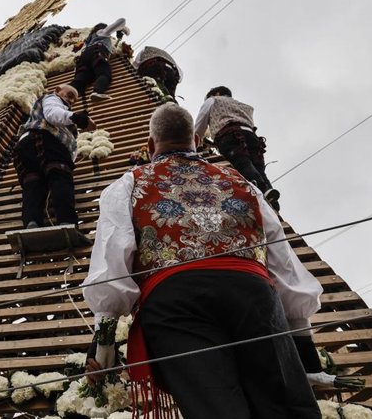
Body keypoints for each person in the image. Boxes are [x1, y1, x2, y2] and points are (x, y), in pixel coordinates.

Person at [82, 104, 321, 419]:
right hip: (253, 296)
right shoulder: (240, 182)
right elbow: (282, 260)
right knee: (286, 409)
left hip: (175, 302)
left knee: (216, 409)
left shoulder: (128, 183)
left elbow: (112, 261)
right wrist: (303, 344)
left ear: (151, 145)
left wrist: (104, 341)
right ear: (196, 139)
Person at [13, 84, 96, 239]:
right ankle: (66, 221)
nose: (71, 100)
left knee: (33, 184)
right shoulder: (52, 99)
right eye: (69, 94)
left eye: (74, 99)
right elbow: (52, 114)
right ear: (57, 90)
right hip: (45, 140)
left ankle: (32, 222)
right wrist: (77, 118)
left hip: (25, 147)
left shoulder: (63, 114)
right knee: (60, 177)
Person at [194, 86, 280, 210]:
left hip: (230, 135)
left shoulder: (213, 100)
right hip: (251, 136)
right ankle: (271, 198)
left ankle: (260, 189)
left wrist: (195, 141)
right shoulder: (244, 106)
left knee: (242, 163)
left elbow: (199, 126)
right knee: (259, 169)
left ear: (217, 93)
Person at [69, 18, 129, 102]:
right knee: (103, 73)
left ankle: (62, 96)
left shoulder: (88, 41)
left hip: (84, 58)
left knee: (80, 81)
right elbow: (122, 21)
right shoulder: (101, 32)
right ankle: (97, 91)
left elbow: (113, 50)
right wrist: (122, 28)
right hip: (97, 53)